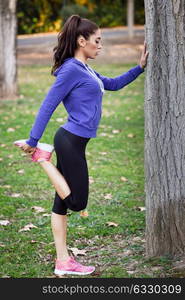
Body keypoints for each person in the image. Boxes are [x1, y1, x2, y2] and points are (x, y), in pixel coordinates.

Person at [14, 15, 149, 276]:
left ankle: (63, 261)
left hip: (74, 141)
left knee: (60, 205)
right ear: (81, 40)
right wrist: (33, 141)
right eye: (97, 41)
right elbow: (48, 105)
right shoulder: (70, 70)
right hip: (69, 141)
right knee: (77, 202)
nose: (100, 46)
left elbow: (112, 84)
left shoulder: (85, 68)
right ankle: (42, 157)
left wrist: (139, 68)